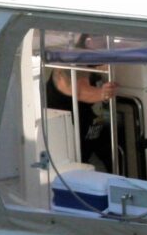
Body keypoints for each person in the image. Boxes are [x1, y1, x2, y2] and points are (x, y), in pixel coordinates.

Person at [44, 33, 116, 171]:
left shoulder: (93, 64)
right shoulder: (69, 63)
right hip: (69, 148)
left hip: (94, 135)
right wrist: (103, 93)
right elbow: (80, 91)